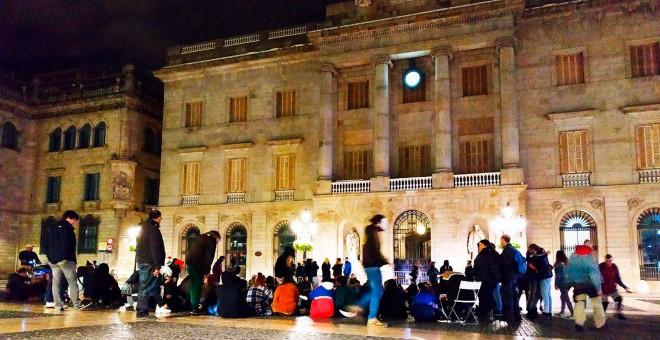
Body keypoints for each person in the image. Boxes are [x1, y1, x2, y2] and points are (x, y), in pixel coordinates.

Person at [348, 214, 389, 327]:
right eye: (384, 222)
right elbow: (374, 251)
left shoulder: (370, 233)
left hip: (369, 265)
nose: (386, 224)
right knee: (378, 290)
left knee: (374, 290)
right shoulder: (373, 234)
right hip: (373, 266)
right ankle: (372, 318)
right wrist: (386, 262)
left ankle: (359, 305)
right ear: (378, 223)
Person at [45, 210, 85, 311]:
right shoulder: (68, 229)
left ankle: (58, 305)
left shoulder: (52, 228)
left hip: (53, 260)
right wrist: (70, 258)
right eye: (74, 220)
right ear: (69, 218)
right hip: (66, 259)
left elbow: (46, 244)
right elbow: (69, 245)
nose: (74, 222)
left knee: (56, 282)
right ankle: (77, 304)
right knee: (72, 282)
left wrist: (50, 257)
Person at [565, 244, 606, 333]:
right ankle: (600, 321)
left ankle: (579, 323)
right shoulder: (589, 259)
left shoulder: (572, 258)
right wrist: (598, 288)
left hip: (578, 285)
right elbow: (594, 275)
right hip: (590, 285)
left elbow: (567, 273)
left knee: (580, 302)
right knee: (596, 302)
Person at [135, 209, 166, 319]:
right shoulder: (153, 229)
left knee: (146, 286)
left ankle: (142, 310)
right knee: (146, 286)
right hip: (150, 262)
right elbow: (155, 248)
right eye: (160, 217)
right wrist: (157, 265)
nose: (161, 219)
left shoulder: (143, 228)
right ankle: (142, 311)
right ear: (157, 217)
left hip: (143, 260)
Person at [186, 230, 221, 315]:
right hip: (198, 265)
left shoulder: (200, 238)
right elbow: (208, 257)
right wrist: (207, 271)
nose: (218, 242)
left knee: (193, 284)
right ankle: (194, 307)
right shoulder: (211, 241)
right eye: (218, 240)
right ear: (216, 237)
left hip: (190, 262)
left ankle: (193, 304)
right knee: (198, 285)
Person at [499, 234, 524, 321]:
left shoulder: (508, 250)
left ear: (503, 239)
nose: (500, 241)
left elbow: (504, 263)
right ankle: (516, 314)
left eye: (500, 239)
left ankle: (509, 315)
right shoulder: (513, 249)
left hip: (508, 277)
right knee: (514, 295)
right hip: (513, 277)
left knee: (508, 296)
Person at [473, 239, 500, 321]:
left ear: (485, 245)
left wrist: (472, 271)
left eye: (481, 245)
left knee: (484, 296)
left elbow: (477, 265)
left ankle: (487, 314)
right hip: (492, 279)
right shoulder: (494, 254)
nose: (479, 247)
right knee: (489, 295)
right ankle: (489, 313)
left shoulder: (483, 254)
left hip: (483, 278)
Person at [599, 254, 632, 320]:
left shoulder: (614, 267)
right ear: (605, 260)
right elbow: (596, 277)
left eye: (610, 261)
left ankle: (618, 313)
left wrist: (625, 287)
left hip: (612, 288)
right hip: (603, 289)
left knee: (619, 299)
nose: (609, 263)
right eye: (607, 261)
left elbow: (617, 279)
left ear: (612, 260)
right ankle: (601, 317)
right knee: (605, 303)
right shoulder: (601, 266)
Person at [527, 244, 553, 319]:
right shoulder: (542, 254)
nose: (529, 251)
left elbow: (533, 264)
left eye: (530, 250)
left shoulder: (537, 256)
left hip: (543, 276)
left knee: (545, 294)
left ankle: (546, 312)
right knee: (548, 294)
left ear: (533, 249)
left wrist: (534, 267)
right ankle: (549, 311)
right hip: (548, 276)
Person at [553, 250, 573, 318]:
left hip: (562, 283)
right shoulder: (566, 263)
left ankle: (572, 313)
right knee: (563, 297)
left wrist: (556, 284)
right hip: (568, 282)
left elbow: (558, 275)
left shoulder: (559, 265)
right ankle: (562, 311)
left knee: (566, 298)